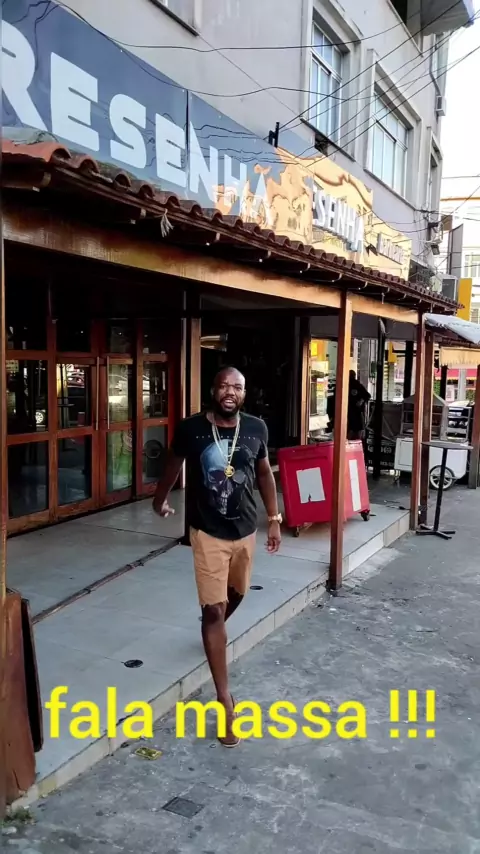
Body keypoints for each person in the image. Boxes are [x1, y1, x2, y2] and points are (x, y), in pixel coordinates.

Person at [152, 366, 282, 746]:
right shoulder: (191, 429)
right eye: (224, 386)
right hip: (207, 533)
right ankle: (226, 702)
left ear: (244, 393)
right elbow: (172, 465)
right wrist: (159, 500)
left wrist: (274, 519)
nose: (229, 392)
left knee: (235, 596)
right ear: (213, 390)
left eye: (236, 387)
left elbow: (264, 474)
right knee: (213, 611)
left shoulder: (256, 428)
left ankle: (214, 629)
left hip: (245, 532)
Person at [326, 370, 371, 440]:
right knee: (352, 430)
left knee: (352, 429)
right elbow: (367, 395)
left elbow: (367, 395)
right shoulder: (345, 384)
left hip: (352, 411)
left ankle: (347, 441)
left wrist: (361, 401)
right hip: (350, 411)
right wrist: (361, 401)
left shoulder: (354, 384)